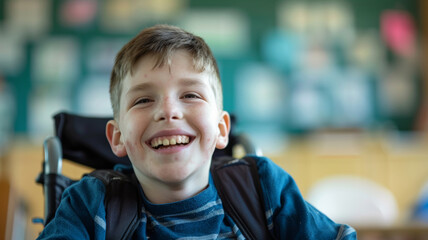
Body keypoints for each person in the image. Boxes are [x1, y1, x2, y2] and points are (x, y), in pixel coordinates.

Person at [37, 24, 356, 239]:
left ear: (221, 129)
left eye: (190, 95)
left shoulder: (262, 189)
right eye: (144, 99)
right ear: (117, 137)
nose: (168, 111)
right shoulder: (90, 205)